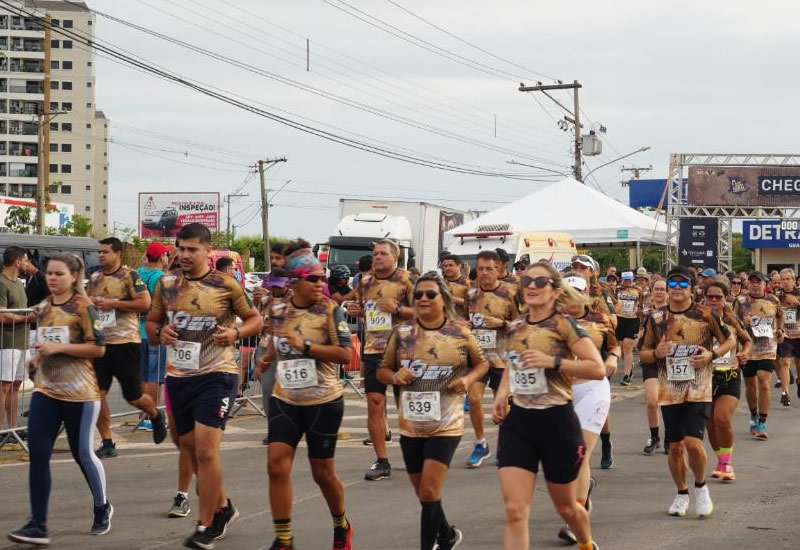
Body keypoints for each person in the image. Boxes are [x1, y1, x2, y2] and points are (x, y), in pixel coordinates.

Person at [146, 223, 262, 549]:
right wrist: (160, 333)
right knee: (185, 446)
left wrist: (236, 333)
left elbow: (255, 320)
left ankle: (206, 524)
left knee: (206, 450)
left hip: (217, 374)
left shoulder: (225, 284)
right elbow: (153, 323)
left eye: (192, 249)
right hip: (179, 376)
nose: (184, 255)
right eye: (180, 248)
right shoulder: (167, 285)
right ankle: (223, 507)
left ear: (208, 252)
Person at [492, 262, 605, 550]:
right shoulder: (515, 326)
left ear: (555, 291)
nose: (531, 286)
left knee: (567, 508)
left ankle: (587, 543)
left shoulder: (565, 325)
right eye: (527, 280)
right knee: (516, 511)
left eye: (540, 282)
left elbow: (597, 368)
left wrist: (553, 362)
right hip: (519, 423)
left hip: (557, 423)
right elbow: (512, 365)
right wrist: (502, 394)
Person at [377, 273, 487, 550]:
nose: (423, 299)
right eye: (418, 295)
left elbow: (482, 364)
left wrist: (468, 379)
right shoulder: (402, 334)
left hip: (446, 424)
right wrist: (394, 377)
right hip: (411, 426)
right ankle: (447, 534)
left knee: (428, 490)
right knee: (425, 493)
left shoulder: (460, 333)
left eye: (430, 294)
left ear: (444, 299)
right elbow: (381, 371)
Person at [7, 254, 111, 545]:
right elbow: (47, 343)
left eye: (59, 274)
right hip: (47, 390)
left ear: (74, 277)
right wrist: (36, 358)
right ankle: (37, 524)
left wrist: (61, 348)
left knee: (83, 454)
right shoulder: (41, 308)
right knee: (38, 454)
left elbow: (98, 349)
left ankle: (102, 506)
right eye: (50, 273)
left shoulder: (84, 308)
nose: (52, 278)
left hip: (81, 394)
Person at [261, 244, 354, 550]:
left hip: (323, 401)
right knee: (276, 465)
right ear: (295, 281)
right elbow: (276, 342)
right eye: (313, 278)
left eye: (321, 278)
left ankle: (341, 525)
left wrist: (306, 346)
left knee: (323, 474)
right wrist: (267, 357)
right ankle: (284, 539)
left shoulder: (330, 309)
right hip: (285, 399)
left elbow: (345, 353)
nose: (320, 284)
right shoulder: (277, 310)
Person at [640, 265, 735, 518]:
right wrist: (656, 353)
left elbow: (731, 340)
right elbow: (644, 352)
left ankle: (701, 488)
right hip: (669, 390)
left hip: (699, 389)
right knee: (675, 447)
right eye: (673, 284)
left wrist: (711, 354)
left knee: (693, 443)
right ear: (666, 288)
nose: (678, 289)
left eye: (683, 285)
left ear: (692, 289)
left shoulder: (706, 315)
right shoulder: (656, 319)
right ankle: (681, 493)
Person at [88, 237, 166, 458]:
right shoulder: (94, 277)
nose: (101, 255)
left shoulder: (130, 276)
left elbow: (145, 303)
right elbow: (87, 303)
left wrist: (114, 304)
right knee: (97, 394)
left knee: (133, 396)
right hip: (101, 345)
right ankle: (107, 441)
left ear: (118, 254)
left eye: (105, 252)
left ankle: (154, 414)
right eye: (99, 252)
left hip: (126, 343)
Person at [557, 273, 618, 545]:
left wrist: (613, 357)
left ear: (584, 296)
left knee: (578, 453)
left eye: (574, 294)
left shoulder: (600, 320)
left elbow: (613, 345)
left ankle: (575, 517)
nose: (568, 300)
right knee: (564, 458)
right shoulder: (551, 323)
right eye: (564, 294)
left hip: (593, 388)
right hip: (560, 392)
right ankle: (585, 490)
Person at [346, 239, 414, 481]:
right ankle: (382, 460)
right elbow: (367, 311)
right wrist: (358, 312)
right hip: (374, 350)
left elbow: (425, 311)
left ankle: (413, 454)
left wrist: (397, 309)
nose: (378, 257)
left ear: (395, 258)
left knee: (404, 405)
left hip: (403, 350)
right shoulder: (365, 282)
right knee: (374, 404)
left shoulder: (406, 280)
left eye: (383, 254)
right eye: (375, 254)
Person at [464, 250, 518, 468]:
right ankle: (480, 443)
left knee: (501, 405)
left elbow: (523, 323)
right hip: (477, 358)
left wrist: (503, 324)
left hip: (501, 359)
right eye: (481, 269)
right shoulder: (470, 295)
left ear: (499, 270)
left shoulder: (510, 294)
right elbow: (462, 320)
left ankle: (506, 444)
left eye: (490, 269)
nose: (485, 273)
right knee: (474, 399)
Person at [704, 281, 751, 481]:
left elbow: (747, 340)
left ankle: (727, 463)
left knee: (722, 419)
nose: (714, 300)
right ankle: (721, 460)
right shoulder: (697, 320)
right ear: (705, 298)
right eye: (710, 297)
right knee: (711, 425)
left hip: (729, 375)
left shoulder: (732, 321)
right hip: (705, 378)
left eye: (718, 297)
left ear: (725, 299)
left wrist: (745, 353)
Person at [735, 271, 784, 439]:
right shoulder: (741, 301)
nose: (755, 284)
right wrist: (743, 322)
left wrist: (780, 329)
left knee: (764, 382)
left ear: (765, 285)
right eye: (752, 281)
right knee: (750, 385)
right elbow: (731, 322)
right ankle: (753, 415)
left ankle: (762, 422)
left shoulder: (773, 300)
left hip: (767, 348)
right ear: (747, 284)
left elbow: (780, 316)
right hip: (748, 348)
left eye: (758, 282)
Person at [0, 246, 34, 432]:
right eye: (26, 260)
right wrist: (26, 318)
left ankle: (12, 429)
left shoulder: (20, 283)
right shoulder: (2, 283)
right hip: (6, 342)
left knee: (15, 385)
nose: (27, 264)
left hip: (23, 341)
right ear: (17, 261)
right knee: (4, 385)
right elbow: (2, 315)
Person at [137, 241, 169, 432]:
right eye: (166, 254)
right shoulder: (160, 278)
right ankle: (151, 416)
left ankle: (141, 415)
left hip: (137, 331)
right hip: (155, 332)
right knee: (154, 377)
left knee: (142, 376)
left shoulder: (138, 274)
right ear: (162, 257)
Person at [256, 267, 291, 441]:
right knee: (268, 390)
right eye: (273, 285)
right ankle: (273, 430)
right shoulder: (265, 299)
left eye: (279, 285)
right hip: (266, 347)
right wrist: (261, 325)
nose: (276, 289)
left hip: (287, 350)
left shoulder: (294, 299)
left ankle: (290, 427)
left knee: (288, 390)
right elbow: (256, 320)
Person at [638, 278, 668, 454]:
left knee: (668, 402)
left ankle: (670, 438)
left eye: (662, 289)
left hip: (669, 360)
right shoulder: (647, 311)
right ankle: (655, 436)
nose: (658, 292)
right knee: (651, 401)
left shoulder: (673, 311)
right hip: (650, 357)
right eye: (656, 288)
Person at [616, 271, 643, 386]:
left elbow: (642, 304)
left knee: (627, 347)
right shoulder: (617, 289)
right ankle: (629, 363)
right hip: (620, 319)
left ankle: (627, 375)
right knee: (621, 348)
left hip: (632, 320)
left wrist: (640, 315)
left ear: (632, 279)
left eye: (629, 280)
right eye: (625, 280)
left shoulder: (638, 290)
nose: (627, 282)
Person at [776, 268, 799, 405]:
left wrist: (797, 303)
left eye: (787, 279)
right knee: (785, 362)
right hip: (785, 335)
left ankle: (798, 381)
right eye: (782, 279)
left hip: (799, 334)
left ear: (793, 279)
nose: (785, 282)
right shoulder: (777, 295)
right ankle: (785, 393)